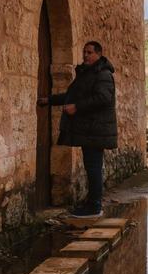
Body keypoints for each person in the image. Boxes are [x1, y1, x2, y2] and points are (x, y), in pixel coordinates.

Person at [37, 41, 117, 217]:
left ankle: (94, 206)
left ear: (99, 54)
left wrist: (77, 107)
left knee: (94, 167)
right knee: (92, 167)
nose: (86, 56)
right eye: (84, 52)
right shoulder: (89, 73)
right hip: (91, 129)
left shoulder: (102, 74)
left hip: (96, 129)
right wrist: (49, 100)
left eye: (89, 52)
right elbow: (72, 96)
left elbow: (103, 98)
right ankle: (92, 204)